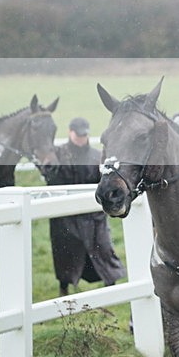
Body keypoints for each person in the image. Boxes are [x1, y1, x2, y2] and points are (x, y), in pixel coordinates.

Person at [38, 117, 126, 296]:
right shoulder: (57, 155)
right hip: (65, 218)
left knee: (103, 249)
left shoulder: (96, 156)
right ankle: (64, 287)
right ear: (70, 132)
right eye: (78, 135)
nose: (81, 138)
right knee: (66, 253)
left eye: (84, 135)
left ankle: (111, 285)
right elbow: (51, 179)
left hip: (93, 217)